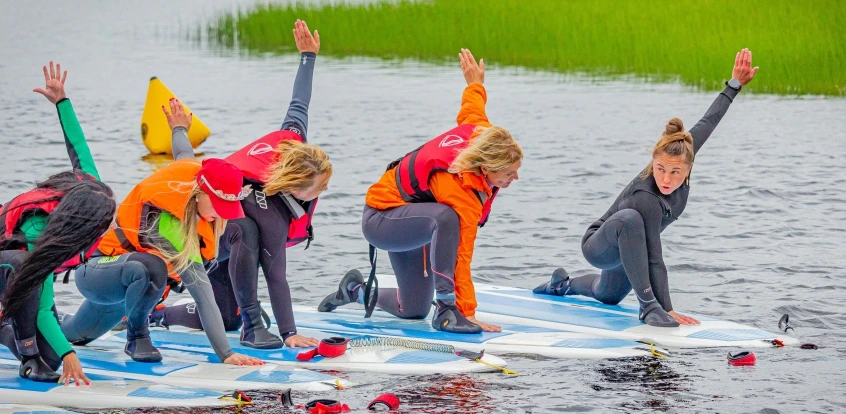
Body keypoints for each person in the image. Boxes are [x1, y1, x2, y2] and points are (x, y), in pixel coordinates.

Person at [534, 49, 760, 327]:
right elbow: (655, 256)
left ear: (688, 167)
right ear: (654, 161)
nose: (666, 178)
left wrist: (734, 84)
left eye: (675, 172)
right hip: (600, 245)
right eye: (660, 169)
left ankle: (561, 285)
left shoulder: (685, 150)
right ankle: (647, 309)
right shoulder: (646, 196)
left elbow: (709, 120)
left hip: (632, 246)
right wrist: (664, 308)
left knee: (607, 295)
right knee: (631, 219)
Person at [152, 20, 328, 350]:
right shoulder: (273, 213)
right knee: (246, 228)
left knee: (224, 318)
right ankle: (252, 324)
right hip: (201, 240)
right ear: (293, 185)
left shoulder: (293, 145)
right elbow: (276, 276)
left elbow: (299, 103)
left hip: (229, 252)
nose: (321, 194)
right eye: (317, 188)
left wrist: (307, 56)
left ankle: (161, 315)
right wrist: (289, 333)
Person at [319, 49, 523, 334]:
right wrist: (467, 312)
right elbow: (461, 255)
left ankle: (355, 291)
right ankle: (447, 310)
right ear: (485, 167)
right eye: (508, 173)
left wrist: (475, 83)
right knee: (446, 218)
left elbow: (472, 107)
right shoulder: (460, 189)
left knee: (413, 309)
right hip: (383, 220)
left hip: (420, 221)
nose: (516, 177)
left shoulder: (483, 135)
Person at [62, 103, 264, 365]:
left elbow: (183, 152)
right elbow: (204, 297)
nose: (222, 214)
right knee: (152, 266)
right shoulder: (171, 224)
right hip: (99, 272)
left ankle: (35, 318)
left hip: (130, 293)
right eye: (219, 206)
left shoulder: (197, 182)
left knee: (75, 333)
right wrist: (227, 354)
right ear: (200, 193)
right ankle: (137, 336)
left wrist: (179, 128)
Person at [0, 61, 115, 385]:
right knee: (46, 349)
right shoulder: (40, 231)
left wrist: (62, 102)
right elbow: (42, 307)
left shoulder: (91, 189)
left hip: (10, 275)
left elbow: (79, 149)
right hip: (8, 264)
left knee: (52, 351)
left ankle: (9, 329)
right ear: (79, 222)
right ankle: (28, 357)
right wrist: (69, 353)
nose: (104, 229)